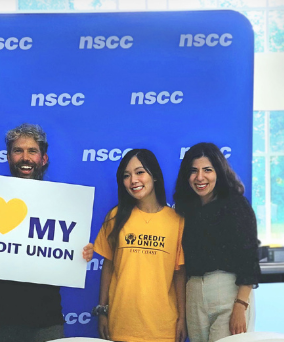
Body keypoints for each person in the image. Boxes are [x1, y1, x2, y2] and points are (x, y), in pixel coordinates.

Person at [0, 123, 93, 342]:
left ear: (43, 159)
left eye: (32, 151)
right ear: (8, 157)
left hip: (44, 320)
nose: (25, 157)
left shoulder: (62, 204)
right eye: (18, 151)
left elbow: (68, 256)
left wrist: (80, 253)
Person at [91, 149, 186, 342]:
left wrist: (182, 318)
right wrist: (102, 310)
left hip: (163, 328)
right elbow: (108, 266)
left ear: (155, 176)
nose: (133, 180)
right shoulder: (115, 217)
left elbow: (179, 274)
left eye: (140, 172)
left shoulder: (177, 221)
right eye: (126, 176)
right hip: (122, 325)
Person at [173, 142, 259, 342]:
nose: (200, 177)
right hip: (193, 294)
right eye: (193, 171)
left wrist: (240, 305)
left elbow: (250, 258)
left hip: (229, 294)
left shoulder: (236, 205)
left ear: (218, 172)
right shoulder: (186, 211)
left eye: (207, 170)